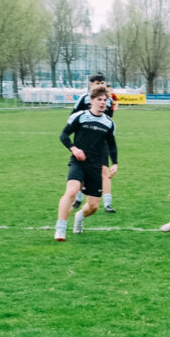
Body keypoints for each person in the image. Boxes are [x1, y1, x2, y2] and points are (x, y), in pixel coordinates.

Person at [55, 86, 117, 241]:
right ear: (91, 101)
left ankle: (79, 216)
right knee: (71, 191)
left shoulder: (109, 123)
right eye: (99, 100)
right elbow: (64, 135)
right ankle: (60, 229)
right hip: (78, 162)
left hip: (96, 166)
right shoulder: (80, 117)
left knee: (94, 206)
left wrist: (115, 163)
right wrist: (73, 148)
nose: (103, 103)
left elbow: (112, 145)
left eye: (105, 100)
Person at [71, 72, 118, 213]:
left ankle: (107, 203)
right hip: (85, 143)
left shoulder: (108, 100)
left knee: (104, 170)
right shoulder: (83, 99)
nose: (100, 85)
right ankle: (79, 198)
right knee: (84, 171)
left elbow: (108, 120)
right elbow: (73, 118)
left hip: (101, 143)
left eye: (102, 83)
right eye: (97, 83)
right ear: (91, 84)